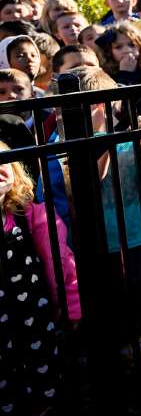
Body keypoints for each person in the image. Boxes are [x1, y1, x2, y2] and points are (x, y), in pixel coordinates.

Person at [0, 141, 79, 415]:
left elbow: (61, 263)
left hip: (37, 323)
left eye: (3, 159)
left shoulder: (31, 214)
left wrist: (71, 308)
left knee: (46, 392)